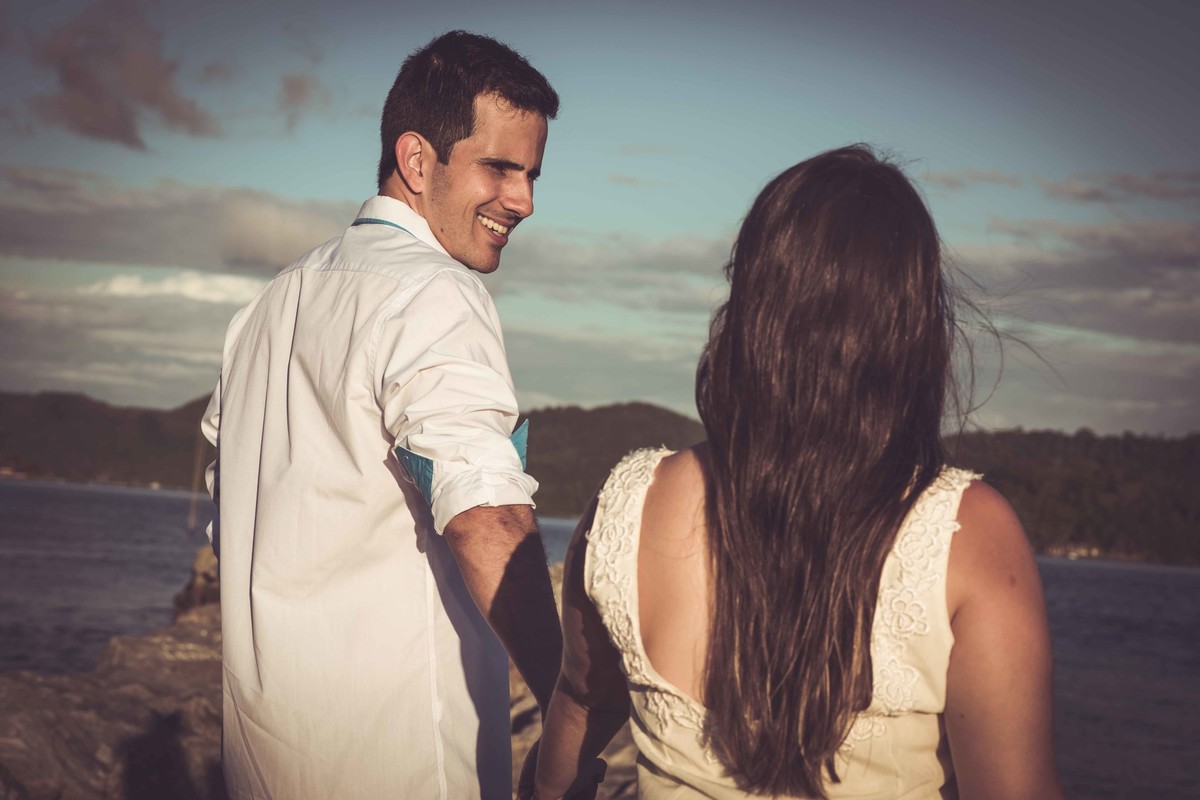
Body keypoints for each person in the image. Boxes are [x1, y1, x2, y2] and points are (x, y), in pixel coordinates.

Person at [527, 146, 1065, 799]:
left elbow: (580, 702)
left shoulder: (629, 504)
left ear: (752, 299)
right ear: (911, 323)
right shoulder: (968, 533)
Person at [202, 31, 583, 799]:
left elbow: (228, 517)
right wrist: (569, 705)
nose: (525, 200)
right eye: (500, 168)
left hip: (267, 760)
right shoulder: (434, 293)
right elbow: (487, 521)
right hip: (402, 758)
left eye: (533, 174)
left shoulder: (269, 304)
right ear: (417, 160)